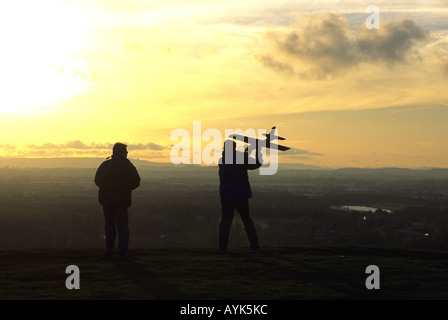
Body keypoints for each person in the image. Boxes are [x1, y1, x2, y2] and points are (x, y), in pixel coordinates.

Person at [94, 143, 141, 260]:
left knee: (109, 225)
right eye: (126, 152)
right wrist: (127, 189)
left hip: (107, 201)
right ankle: (122, 253)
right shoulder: (128, 166)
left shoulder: (105, 165)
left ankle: (109, 251)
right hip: (122, 202)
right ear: (122, 152)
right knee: (122, 227)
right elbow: (136, 181)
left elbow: (97, 180)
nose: (127, 153)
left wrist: (106, 189)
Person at [218, 140, 263, 252]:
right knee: (246, 219)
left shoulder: (222, 160)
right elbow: (256, 164)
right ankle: (254, 245)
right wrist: (257, 151)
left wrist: (245, 154)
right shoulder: (240, 158)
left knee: (225, 222)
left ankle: (222, 247)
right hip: (240, 194)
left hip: (226, 195)